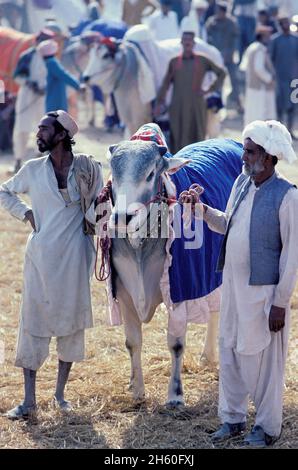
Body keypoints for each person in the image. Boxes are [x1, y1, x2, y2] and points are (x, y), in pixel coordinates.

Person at [184, 120, 298, 446]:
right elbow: (227, 224)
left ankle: (267, 428)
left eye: (250, 151)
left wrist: (280, 303)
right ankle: (232, 420)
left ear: (269, 156)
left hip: (263, 295)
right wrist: (202, 210)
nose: (244, 157)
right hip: (232, 287)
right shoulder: (241, 184)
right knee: (230, 351)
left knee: (262, 363)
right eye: (245, 150)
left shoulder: (288, 197)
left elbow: (292, 256)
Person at [0, 110, 103, 420]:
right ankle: (29, 400)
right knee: (32, 323)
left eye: (44, 129)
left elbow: (101, 205)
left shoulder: (87, 169)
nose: (38, 133)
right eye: (39, 128)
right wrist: (26, 214)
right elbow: (4, 191)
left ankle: (60, 395)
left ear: (61, 135)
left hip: (75, 260)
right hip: (41, 259)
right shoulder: (32, 170)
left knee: (71, 326)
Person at [155, 26, 225, 153]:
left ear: (193, 43)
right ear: (181, 42)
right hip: (178, 106)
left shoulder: (203, 60)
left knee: (197, 136)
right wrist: (159, 102)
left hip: (196, 106)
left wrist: (209, 90)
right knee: (177, 138)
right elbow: (165, 84)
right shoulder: (174, 61)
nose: (187, 42)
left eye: (190, 40)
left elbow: (221, 73)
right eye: (184, 40)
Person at [12, 28, 56, 174]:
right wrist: (31, 84)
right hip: (27, 95)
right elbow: (17, 76)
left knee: (44, 127)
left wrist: (45, 87)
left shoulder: (51, 58)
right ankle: (18, 159)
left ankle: (42, 158)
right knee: (22, 127)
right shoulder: (27, 56)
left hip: (43, 96)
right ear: (37, 41)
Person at [206, 1, 241, 111]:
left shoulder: (231, 23)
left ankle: (239, 104)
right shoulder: (211, 22)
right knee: (216, 80)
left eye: (220, 11)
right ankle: (217, 104)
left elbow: (236, 40)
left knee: (234, 81)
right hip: (216, 57)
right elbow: (207, 38)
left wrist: (230, 53)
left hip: (228, 57)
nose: (218, 13)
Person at [240, 25, 276, 126]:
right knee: (258, 117)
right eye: (268, 36)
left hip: (253, 87)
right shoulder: (259, 49)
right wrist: (270, 79)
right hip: (259, 88)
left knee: (252, 115)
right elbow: (259, 69)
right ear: (262, 36)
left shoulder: (252, 47)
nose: (269, 38)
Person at [270, 14, 298, 139]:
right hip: (280, 78)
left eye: (287, 23)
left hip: (294, 79)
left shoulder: (295, 39)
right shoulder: (275, 40)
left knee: (293, 104)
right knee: (280, 106)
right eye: (283, 23)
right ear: (280, 26)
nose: (286, 25)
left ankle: (290, 130)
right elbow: (270, 59)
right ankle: (280, 132)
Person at [37, 39, 85, 113]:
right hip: (57, 98)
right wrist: (78, 85)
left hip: (51, 97)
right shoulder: (52, 63)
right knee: (58, 118)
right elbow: (64, 75)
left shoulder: (46, 63)